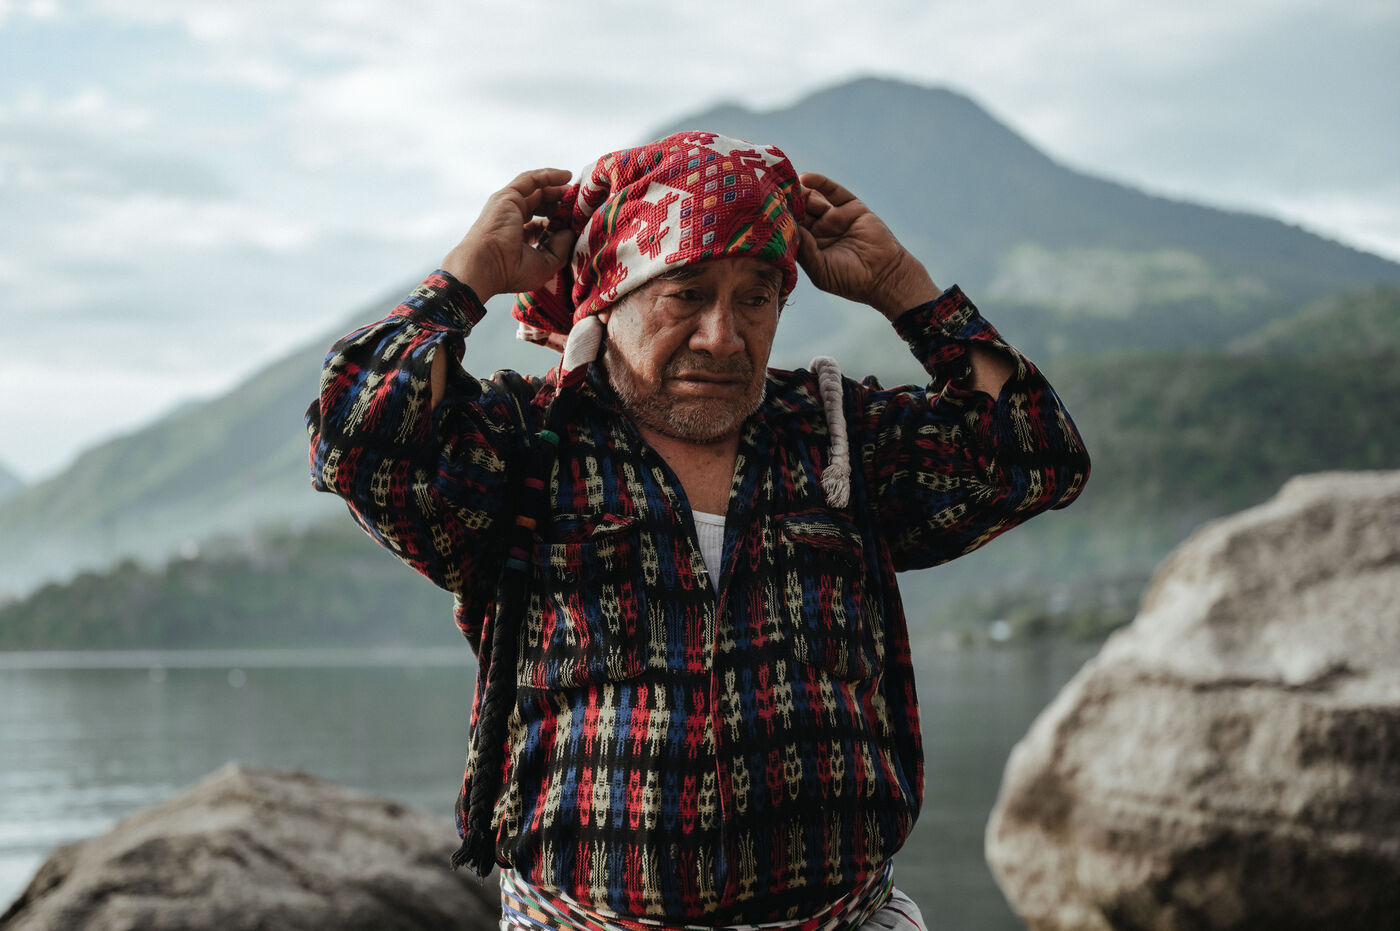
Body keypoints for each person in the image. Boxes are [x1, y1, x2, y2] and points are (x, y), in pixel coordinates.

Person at [306, 131, 1089, 930]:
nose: (723, 336)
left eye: (755, 297)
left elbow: (1034, 457)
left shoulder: (837, 436)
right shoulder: (527, 443)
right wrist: (467, 276)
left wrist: (902, 288)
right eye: (685, 293)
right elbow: (352, 440)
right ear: (608, 299)